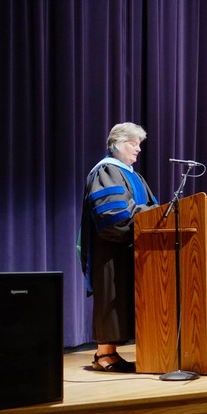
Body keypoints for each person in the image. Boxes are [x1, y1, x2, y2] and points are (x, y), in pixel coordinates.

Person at [79, 122, 159, 372]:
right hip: (112, 250)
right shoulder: (106, 171)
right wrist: (153, 213)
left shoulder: (132, 174)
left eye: (139, 144)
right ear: (116, 144)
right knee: (111, 298)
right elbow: (113, 215)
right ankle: (104, 354)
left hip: (132, 249)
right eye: (133, 143)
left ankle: (115, 353)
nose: (138, 150)